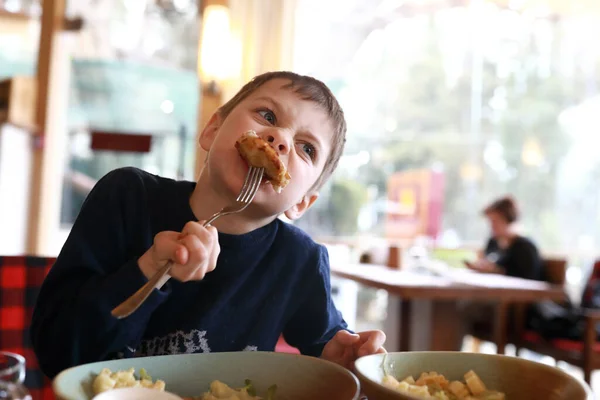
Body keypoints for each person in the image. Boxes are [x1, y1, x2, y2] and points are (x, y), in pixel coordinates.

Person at [31, 71, 386, 379]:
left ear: (302, 203)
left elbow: (325, 343)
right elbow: (57, 351)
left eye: (306, 148)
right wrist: (150, 269)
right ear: (212, 129)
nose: (280, 139)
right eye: (267, 114)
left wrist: (343, 356)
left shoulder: (300, 261)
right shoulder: (127, 197)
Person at [464, 195, 543, 281]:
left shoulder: (525, 247)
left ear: (509, 220)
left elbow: (530, 280)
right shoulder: (492, 243)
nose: (492, 226)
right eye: (490, 221)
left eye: (496, 221)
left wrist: (497, 271)